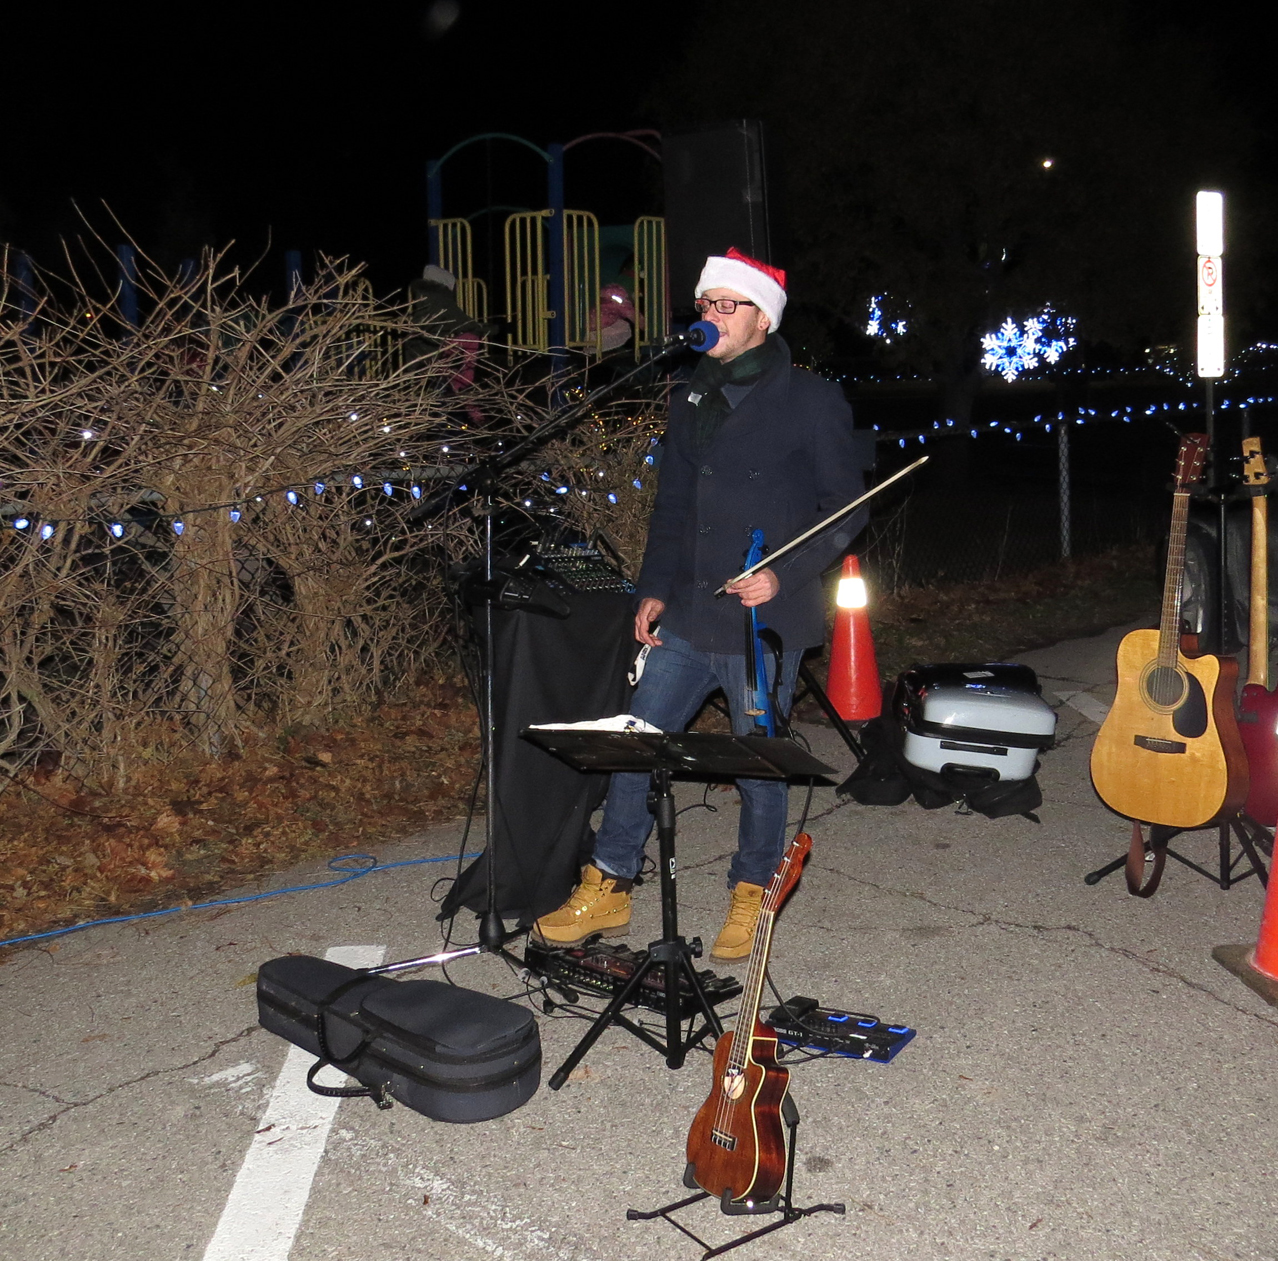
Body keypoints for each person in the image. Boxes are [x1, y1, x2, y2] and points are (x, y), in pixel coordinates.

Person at [534, 247, 872, 960]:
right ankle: (612, 881)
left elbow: (846, 509)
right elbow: (674, 506)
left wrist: (785, 572)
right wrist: (653, 586)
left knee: (758, 760)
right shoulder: (688, 393)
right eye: (705, 303)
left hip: (763, 619)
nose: (710, 316)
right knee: (635, 741)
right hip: (689, 610)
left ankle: (754, 890)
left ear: (762, 317)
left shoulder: (811, 399)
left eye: (727, 304)